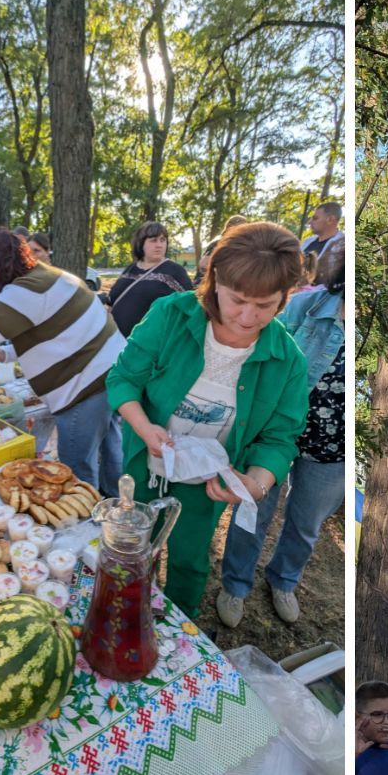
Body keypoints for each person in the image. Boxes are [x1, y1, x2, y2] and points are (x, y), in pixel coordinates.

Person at [106, 222, 309, 619]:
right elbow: (123, 379)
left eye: (265, 305)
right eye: (237, 301)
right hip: (144, 467)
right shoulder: (170, 315)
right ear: (214, 281)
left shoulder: (288, 361)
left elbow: (280, 438)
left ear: (284, 299)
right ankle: (126, 610)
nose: (248, 317)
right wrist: (145, 428)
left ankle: (180, 625)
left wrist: (257, 483)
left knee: (189, 560)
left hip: (207, 485)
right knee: (132, 548)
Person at [0, 230, 125, 497]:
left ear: (0, 261)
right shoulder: (48, 277)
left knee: (77, 471)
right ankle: (116, 509)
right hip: (111, 374)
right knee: (111, 453)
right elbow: (50, 332)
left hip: (84, 386)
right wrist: (3, 354)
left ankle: (87, 527)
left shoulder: (26, 289)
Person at [219, 249, 345, 626]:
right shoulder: (305, 308)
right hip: (273, 431)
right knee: (251, 509)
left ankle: (284, 580)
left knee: (305, 524)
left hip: (333, 446)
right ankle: (235, 584)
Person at [107, 221, 194, 338]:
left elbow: (191, 307)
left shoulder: (175, 271)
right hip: (115, 340)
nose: (159, 245)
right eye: (153, 240)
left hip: (147, 347)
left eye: (162, 240)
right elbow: (112, 299)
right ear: (141, 243)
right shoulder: (131, 268)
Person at [194, 214, 249, 285]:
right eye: (240, 228)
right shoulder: (219, 243)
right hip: (208, 284)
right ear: (229, 227)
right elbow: (204, 265)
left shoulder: (238, 244)